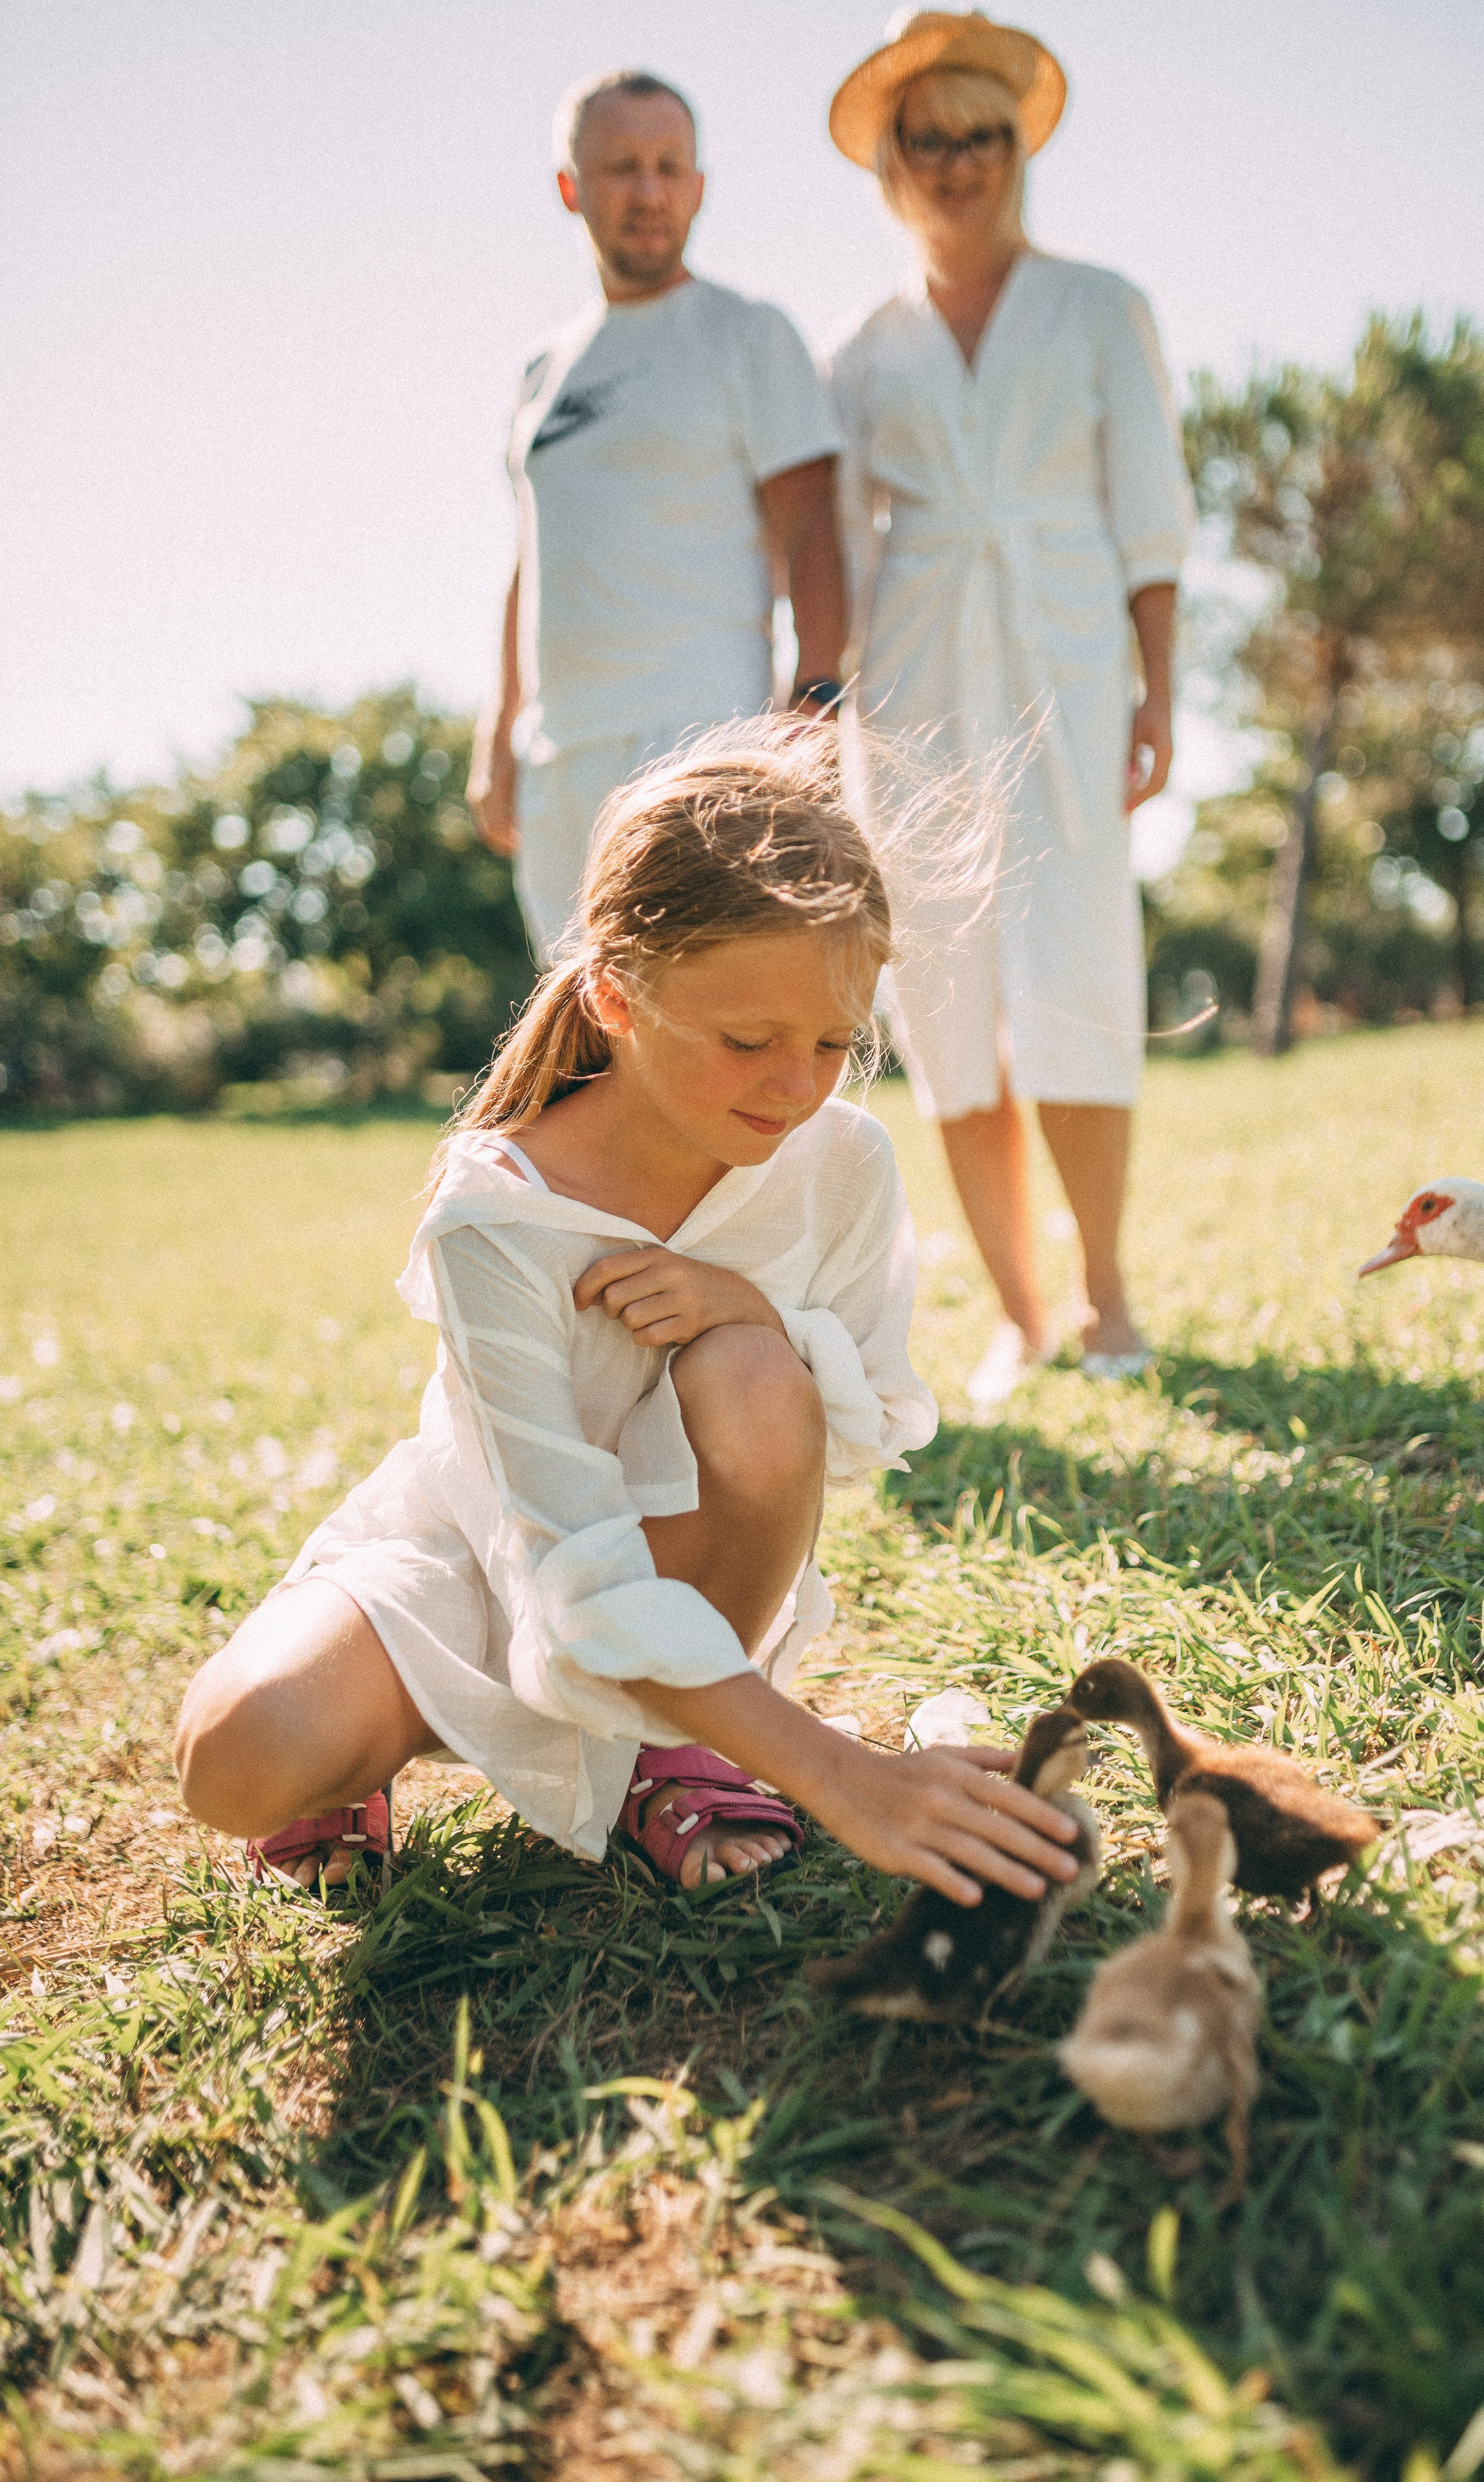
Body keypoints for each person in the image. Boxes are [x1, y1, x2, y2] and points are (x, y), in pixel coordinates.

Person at [174, 721, 1084, 1911]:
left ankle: (676, 1742)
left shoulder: (841, 1160)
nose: (798, 1085)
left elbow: (866, 1420)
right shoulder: (499, 1211)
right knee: (235, 1760)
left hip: (693, 1566)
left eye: (834, 1042)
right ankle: (369, 1751)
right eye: (750, 1041)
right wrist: (838, 1772)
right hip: (489, 1550)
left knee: (760, 1376)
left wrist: (748, 1311)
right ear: (616, 994)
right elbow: (564, 1562)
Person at [827, 12, 1195, 1405]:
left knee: (1079, 971)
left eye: (981, 136)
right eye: (927, 141)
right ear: (891, 167)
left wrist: (1157, 688)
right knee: (946, 994)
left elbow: (1149, 520)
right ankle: (1018, 1314)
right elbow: (838, 558)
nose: (956, 163)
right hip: (910, 696)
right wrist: (822, 723)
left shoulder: (1100, 307)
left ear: (1015, 149)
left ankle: (1105, 1299)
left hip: (1067, 676)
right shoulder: (857, 356)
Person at [467, 70, 848, 959]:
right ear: (570, 187)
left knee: (702, 1026)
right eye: (620, 167)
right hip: (563, 760)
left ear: (700, 188)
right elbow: (533, 554)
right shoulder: (542, 371)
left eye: (669, 167)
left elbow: (812, 529)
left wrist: (818, 704)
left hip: (703, 740)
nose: (648, 191)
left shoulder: (746, 334)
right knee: (586, 1044)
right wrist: (500, 730)